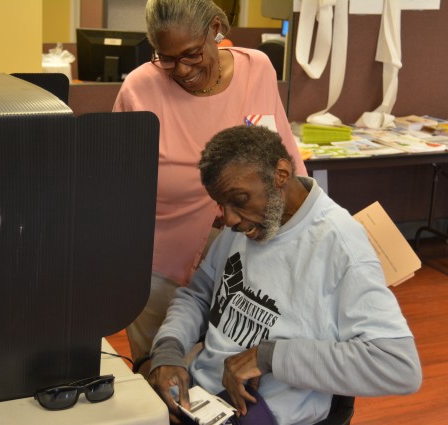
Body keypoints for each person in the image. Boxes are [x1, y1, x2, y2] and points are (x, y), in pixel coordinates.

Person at [148, 125, 422, 424]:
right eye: (221, 204)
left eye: (239, 200)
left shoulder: (338, 244)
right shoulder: (248, 225)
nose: (229, 219)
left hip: (266, 412)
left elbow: (399, 367)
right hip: (203, 395)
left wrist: (269, 357)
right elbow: (198, 296)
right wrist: (168, 349)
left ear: (280, 174)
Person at [112, 0, 307, 363]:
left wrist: (315, 226)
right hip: (159, 267)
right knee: (162, 372)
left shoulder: (257, 69)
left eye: (191, 54)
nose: (181, 69)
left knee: (225, 377)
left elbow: (284, 158)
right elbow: (113, 184)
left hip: (244, 264)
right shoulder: (140, 88)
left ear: (215, 29)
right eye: (166, 58)